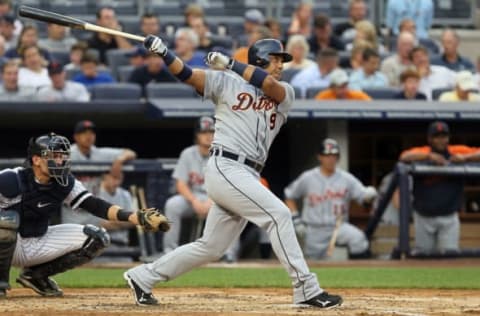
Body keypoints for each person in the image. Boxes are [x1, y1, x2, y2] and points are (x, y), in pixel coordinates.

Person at [123, 34, 343, 308]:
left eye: (282, 60)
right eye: (275, 59)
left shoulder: (286, 92)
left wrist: (229, 63)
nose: (280, 65)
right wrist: (164, 52)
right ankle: (306, 288)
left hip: (246, 172)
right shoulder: (226, 82)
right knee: (279, 215)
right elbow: (188, 75)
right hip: (226, 165)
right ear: (260, 59)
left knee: (211, 247)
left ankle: (143, 276)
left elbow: (269, 84)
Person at [0, 132, 169, 298]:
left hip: (36, 240)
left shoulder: (65, 182)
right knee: (7, 221)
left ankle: (35, 276)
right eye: (54, 156)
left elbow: (95, 205)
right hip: (9, 241)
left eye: (63, 156)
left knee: (97, 237)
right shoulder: (11, 179)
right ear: (36, 160)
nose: (60, 161)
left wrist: (133, 216)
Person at [162, 116, 239, 262]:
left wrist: (211, 201)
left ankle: (229, 253)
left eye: (212, 132)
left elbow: (227, 184)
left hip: (217, 198)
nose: (208, 136)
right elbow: (181, 183)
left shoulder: (224, 154)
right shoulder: (187, 154)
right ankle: (169, 251)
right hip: (193, 197)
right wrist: (194, 201)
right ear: (197, 135)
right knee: (172, 205)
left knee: (234, 207)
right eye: (204, 132)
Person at [285, 138, 377, 259]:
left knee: (358, 240)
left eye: (334, 155)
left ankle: (357, 273)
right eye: (327, 155)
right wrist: (296, 220)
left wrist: (369, 196)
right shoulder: (308, 177)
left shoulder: (346, 178)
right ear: (319, 157)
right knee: (313, 263)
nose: (331, 159)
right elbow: (289, 196)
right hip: (314, 228)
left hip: (339, 227)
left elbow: (363, 198)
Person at [399, 121, 480, 254]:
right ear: (429, 139)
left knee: (449, 257)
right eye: (437, 136)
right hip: (423, 216)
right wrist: (429, 156)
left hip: (449, 217)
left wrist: (465, 157)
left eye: (444, 136)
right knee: (423, 257)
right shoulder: (424, 151)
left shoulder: (455, 150)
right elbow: (404, 156)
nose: (441, 140)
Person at [62, 120, 137, 224]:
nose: (89, 136)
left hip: (93, 213)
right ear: (76, 137)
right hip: (72, 214)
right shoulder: (67, 153)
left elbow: (130, 152)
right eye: (84, 133)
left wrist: (120, 160)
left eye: (91, 133)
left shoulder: (99, 153)